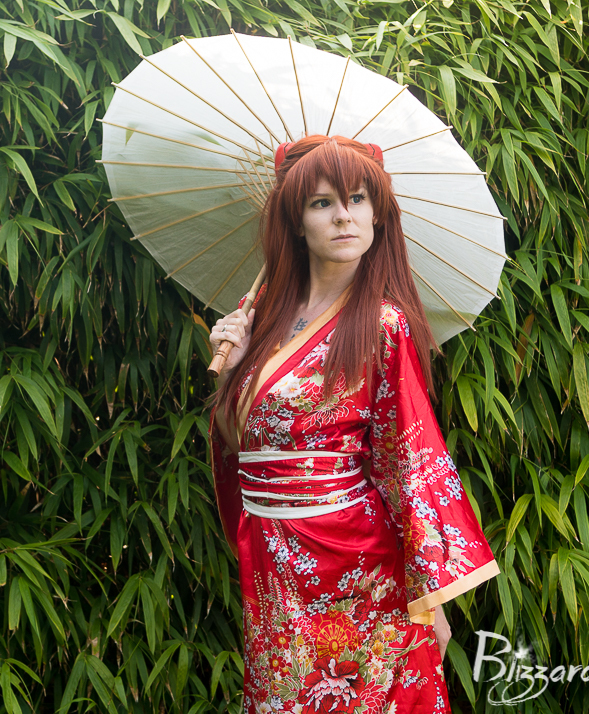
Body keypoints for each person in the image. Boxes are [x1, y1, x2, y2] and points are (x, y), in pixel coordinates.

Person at [208, 136, 499, 714]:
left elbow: (408, 460)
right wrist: (233, 372)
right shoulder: (264, 320)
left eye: (358, 199)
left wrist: (430, 601)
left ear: (377, 213)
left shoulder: (383, 325)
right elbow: (243, 446)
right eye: (321, 203)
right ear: (296, 222)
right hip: (273, 560)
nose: (344, 216)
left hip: (355, 566)